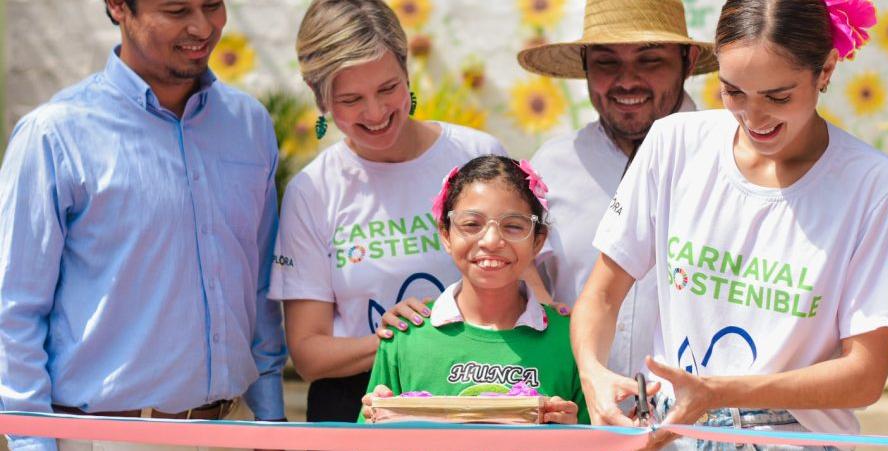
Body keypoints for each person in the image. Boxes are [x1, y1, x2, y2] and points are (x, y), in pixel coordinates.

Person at [571, 0, 888, 448]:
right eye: (733, 92)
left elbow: (865, 376)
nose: (754, 119)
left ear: (825, 70)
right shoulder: (674, 143)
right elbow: (600, 295)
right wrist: (593, 373)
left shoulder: (874, 185)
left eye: (778, 97)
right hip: (675, 434)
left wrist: (721, 394)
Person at [0, 0, 286, 450]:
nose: (202, 26)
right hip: (107, 437)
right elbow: (14, 312)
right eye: (176, 10)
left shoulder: (249, 126)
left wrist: (271, 425)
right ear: (118, 7)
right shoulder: (54, 136)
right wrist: (32, 444)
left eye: (213, 5)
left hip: (236, 429)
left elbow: (260, 289)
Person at [270, 0, 507, 422]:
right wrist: (393, 340)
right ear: (318, 96)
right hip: (357, 411)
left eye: (387, 89)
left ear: (406, 69)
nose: (376, 113)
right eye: (351, 99)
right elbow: (308, 353)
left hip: (479, 399)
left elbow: (527, 290)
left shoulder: (477, 157)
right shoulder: (313, 190)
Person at [518, 0, 717, 380]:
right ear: (585, 64)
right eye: (607, 62)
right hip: (578, 415)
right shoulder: (551, 167)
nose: (627, 81)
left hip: (699, 426)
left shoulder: (729, 161)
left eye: (650, 60)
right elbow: (518, 279)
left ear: (688, 61)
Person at [359, 155, 588, 425]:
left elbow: (598, 439)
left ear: (538, 241)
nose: (491, 241)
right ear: (445, 234)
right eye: (471, 224)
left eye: (514, 226)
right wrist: (378, 426)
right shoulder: (406, 335)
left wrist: (575, 434)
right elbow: (370, 434)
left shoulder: (572, 340)